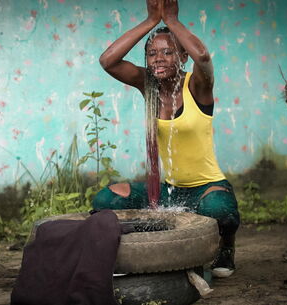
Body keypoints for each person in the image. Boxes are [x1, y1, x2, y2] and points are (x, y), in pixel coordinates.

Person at [93, 0, 240, 278]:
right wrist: (151, 21)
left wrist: (171, 21)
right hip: (169, 191)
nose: (157, 58)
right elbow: (107, 61)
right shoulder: (147, 84)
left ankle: (226, 248)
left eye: (167, 52)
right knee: (106, 199)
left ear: (182, 57)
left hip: (206, 188)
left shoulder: (197, 85)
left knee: (220, 210)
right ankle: (131, 252)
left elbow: (204, 58)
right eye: (151, 54)